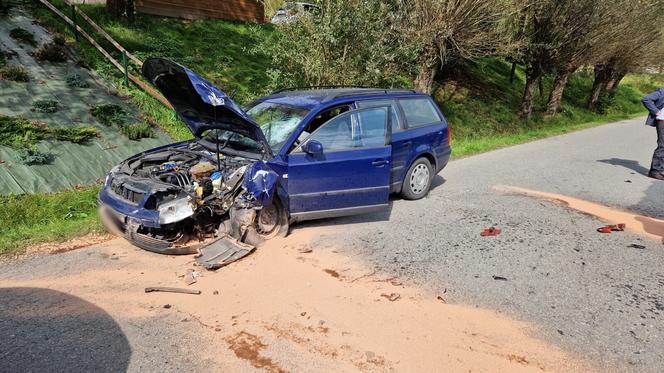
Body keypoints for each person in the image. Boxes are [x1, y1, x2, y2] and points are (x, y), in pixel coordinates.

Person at [642, 87, 664, 180]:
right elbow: (646, 99)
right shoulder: (662, 90)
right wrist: (656, 111)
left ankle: (661, 169)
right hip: (663, 121)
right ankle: (655, 171)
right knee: (662, 145)